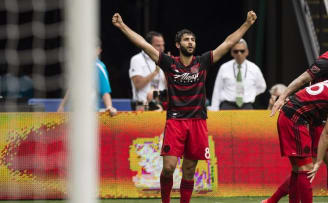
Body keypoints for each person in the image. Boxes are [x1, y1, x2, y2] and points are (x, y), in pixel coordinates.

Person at [112, 11, 257, 203]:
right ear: (178, 45)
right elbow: (143, 45)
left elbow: (229, 43)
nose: (190, 42)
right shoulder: (169, 63)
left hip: (197, 122)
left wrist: (247, 24)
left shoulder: (202, 62)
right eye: (186, 40)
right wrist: (122, 26)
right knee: (169, 168)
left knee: (189, 171)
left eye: (193, 40)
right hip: (175, 121)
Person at [264, 52, 328, 203]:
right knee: (306, 167)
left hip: (302, 114)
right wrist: (319, 161)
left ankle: (273, 200)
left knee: (299, 168)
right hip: (299, 117)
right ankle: (272, 200)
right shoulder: (324, 61)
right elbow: (326, 134)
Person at [57, 42, 117, 116]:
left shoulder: (99, 67)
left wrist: (109, 106)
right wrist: (62, 106)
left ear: (99, 51)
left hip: (89, 114)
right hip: (73, 112)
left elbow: (105, 91)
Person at [209, 38, 266, 110]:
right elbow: (217, 89)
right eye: (236, 51)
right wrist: (214, 108)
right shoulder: (224, 67)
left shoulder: (254, 68)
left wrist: (251, 94)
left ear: (247, 52)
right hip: (227, 105)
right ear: (231, 53)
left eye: (242, 51)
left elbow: (262, 86)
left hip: (246, 106)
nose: (239, 54)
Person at [129, 31, 167, 110]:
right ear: (148, 45)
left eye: (163, 45)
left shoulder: (164, 60)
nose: (162, 48)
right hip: (142, 106)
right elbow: (138, 84)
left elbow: (168, 86)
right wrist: (155, 72)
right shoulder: (137, 59)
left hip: (161, 106)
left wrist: (169, 71)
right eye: (158, 45)